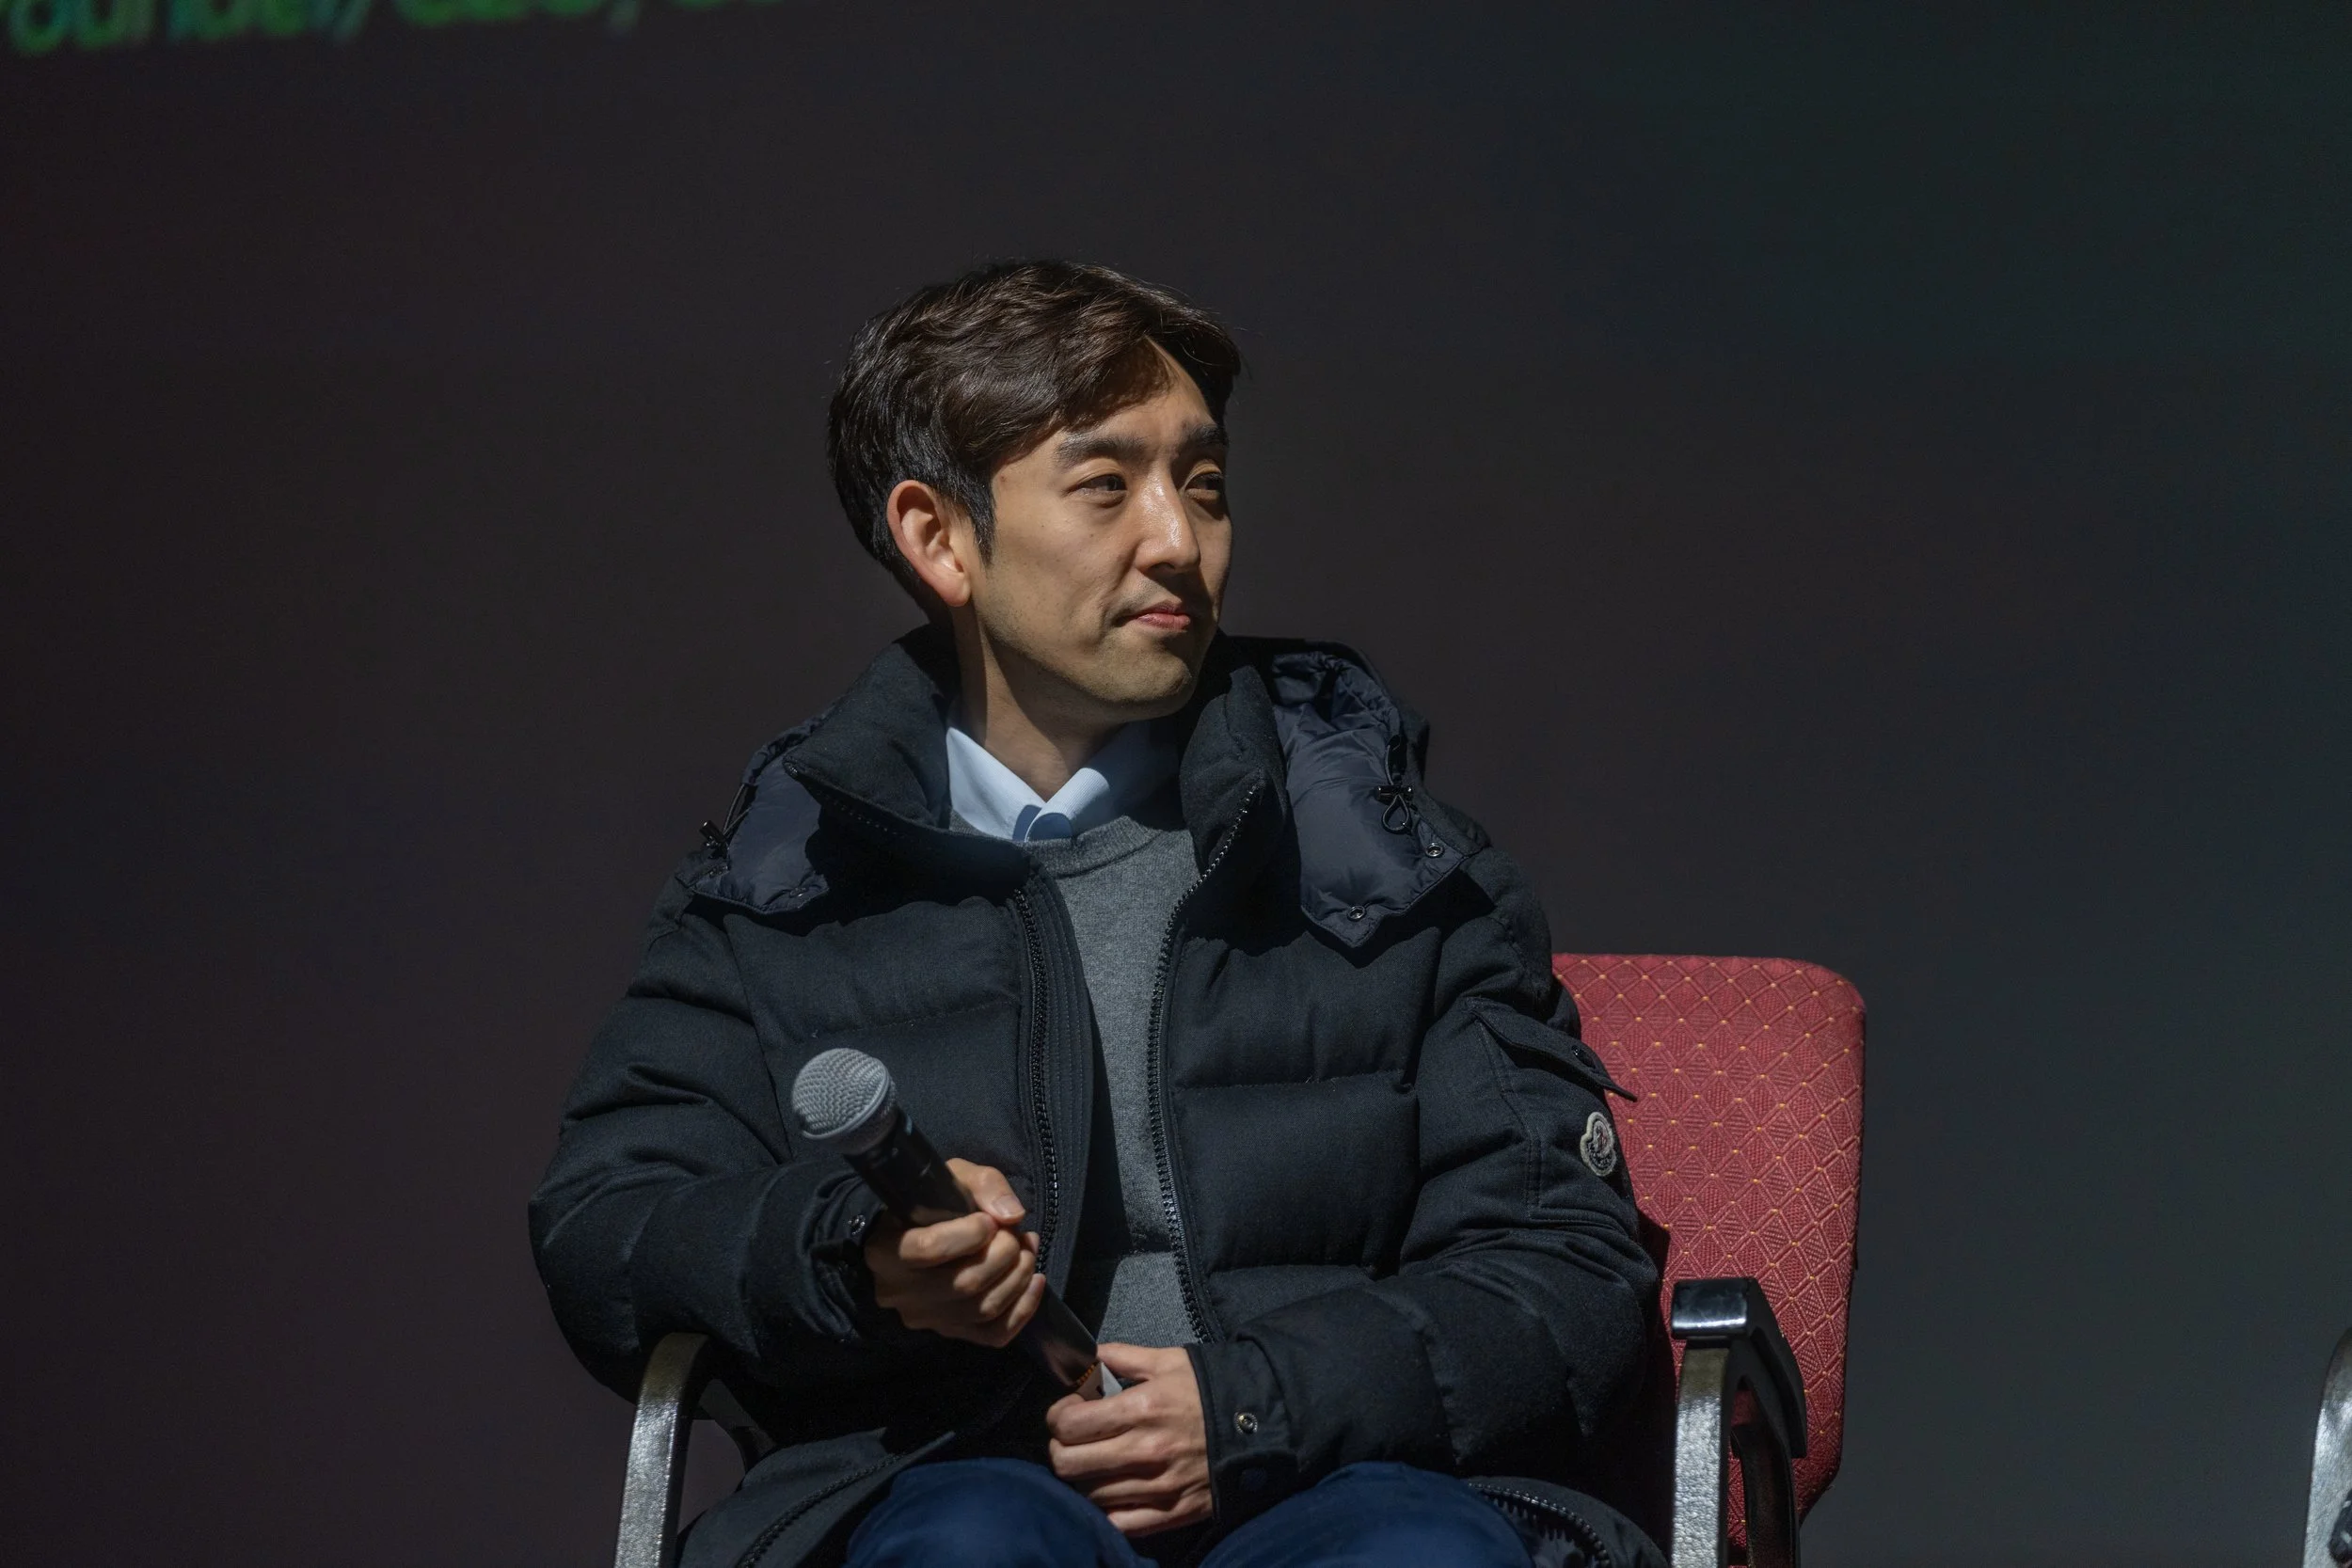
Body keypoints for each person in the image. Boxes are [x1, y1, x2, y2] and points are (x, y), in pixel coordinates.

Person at [530, 261, 1665, 1568]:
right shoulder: (792, 877)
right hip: (946, 1481)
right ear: (936, 536)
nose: (1178, 539)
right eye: (1106, 484)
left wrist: (1252, 1404)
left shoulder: (1372, 849)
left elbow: (1565, 1270)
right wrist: (857, 1255)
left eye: (1204, 483)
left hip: (1338, 1477)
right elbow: (609, 1226)